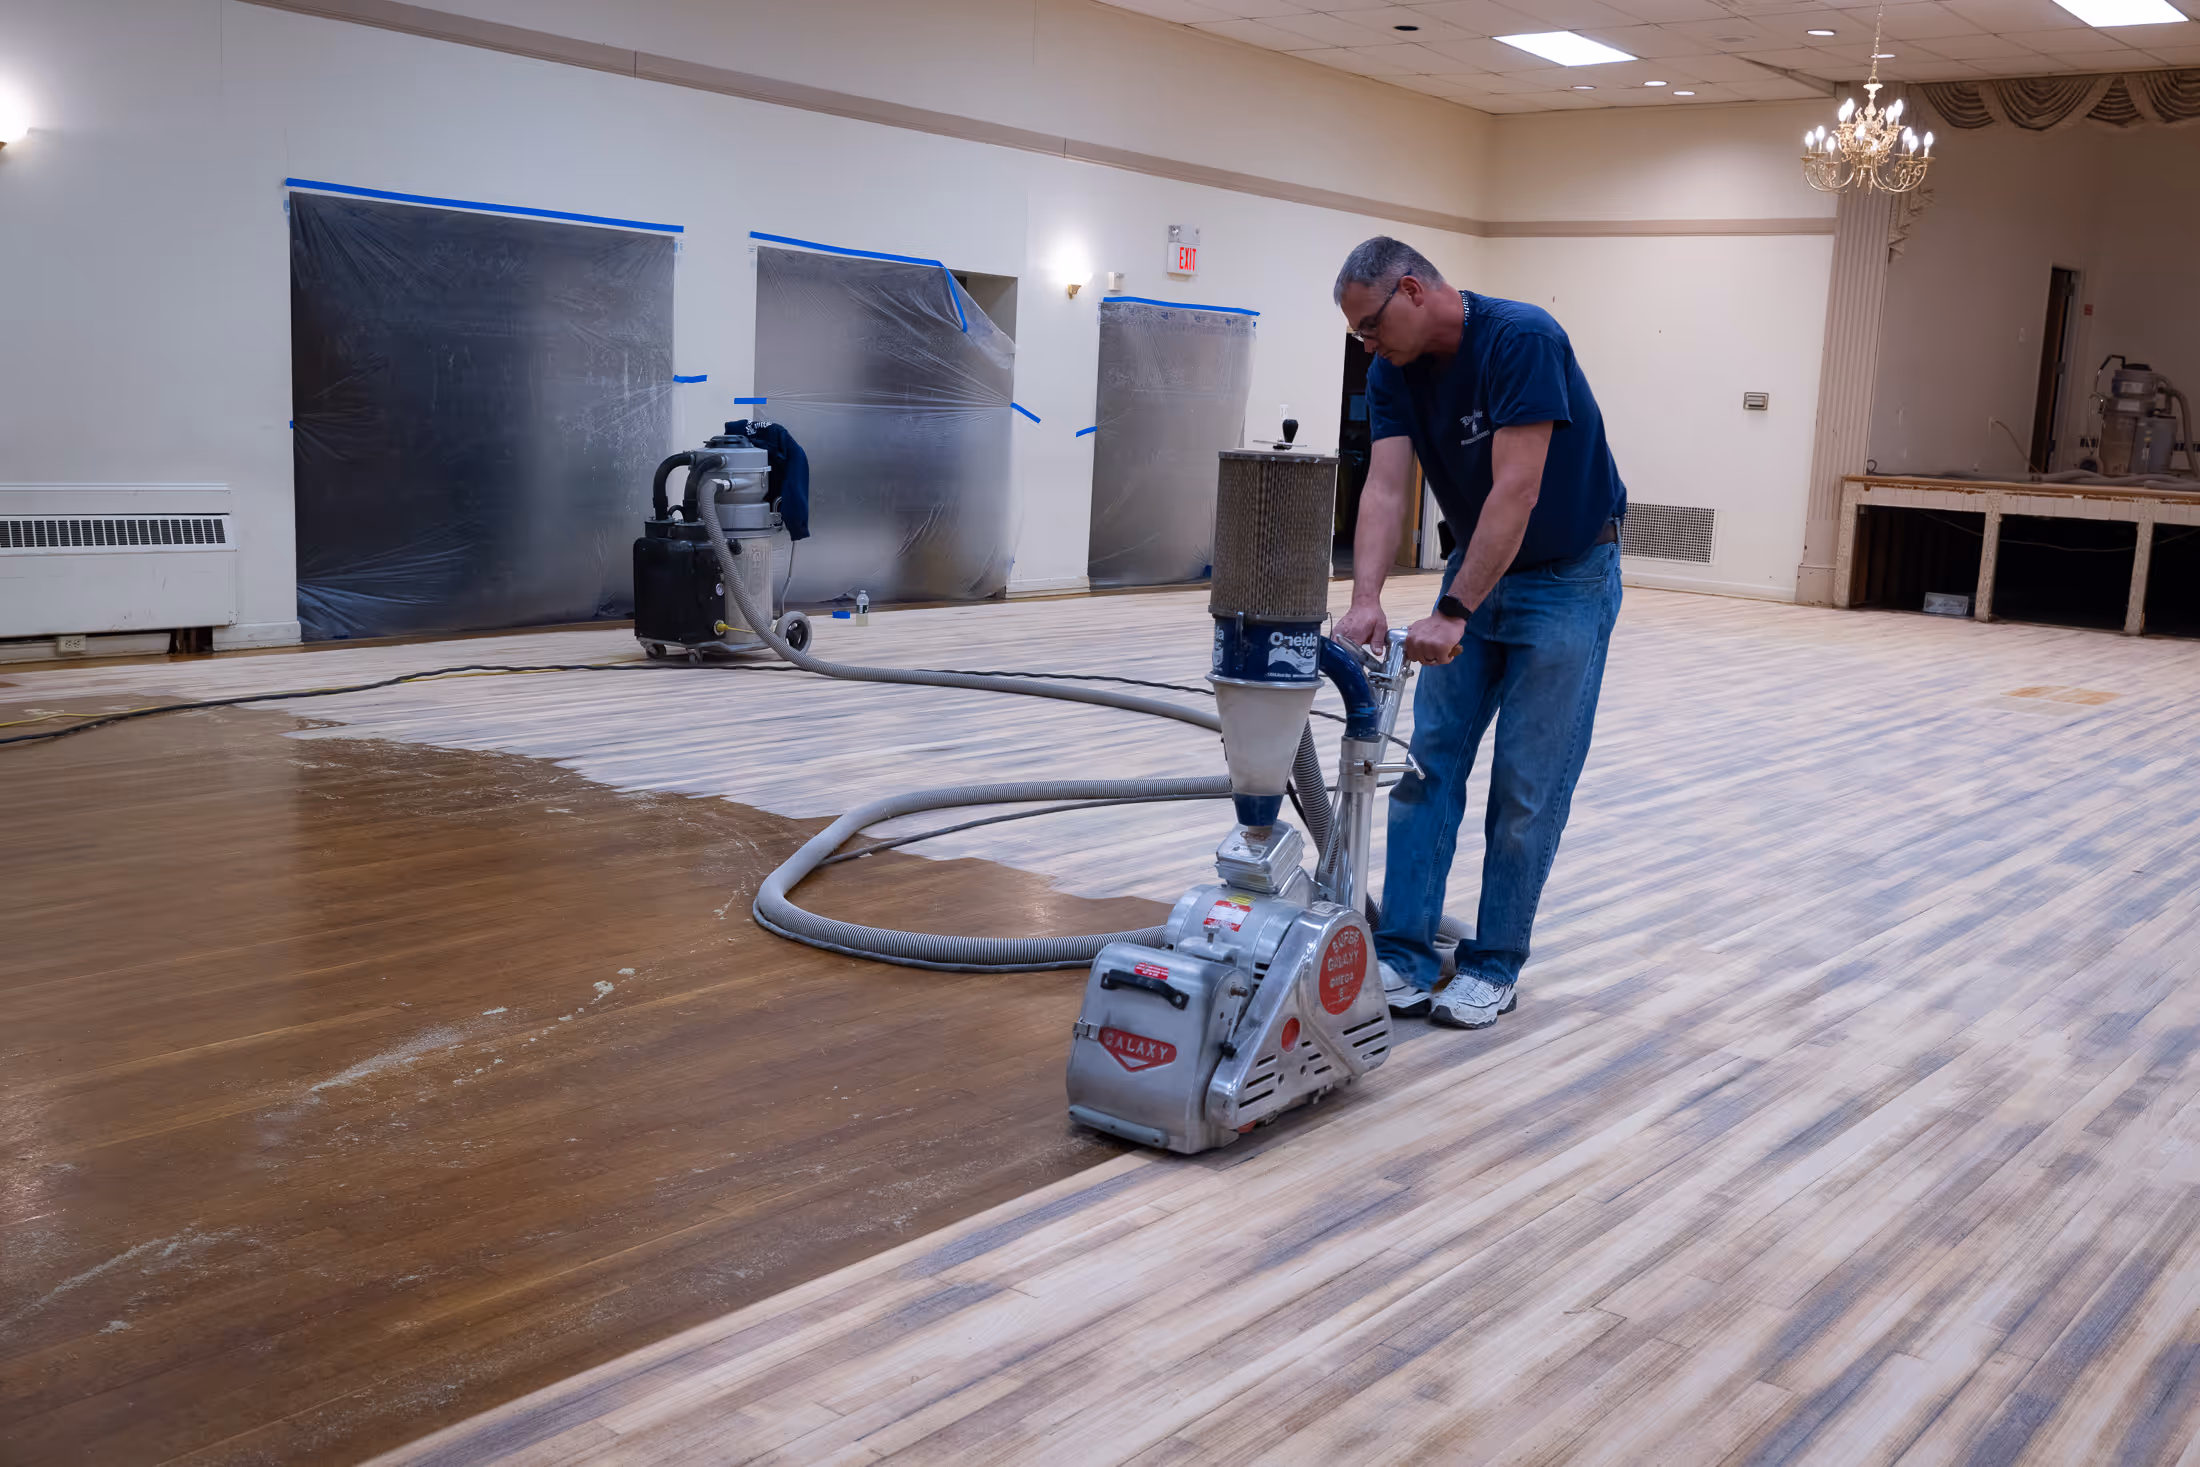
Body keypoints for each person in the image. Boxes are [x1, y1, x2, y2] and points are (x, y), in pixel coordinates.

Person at [1329, 237, 1626, 1030]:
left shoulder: (1521, 339)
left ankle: (1494, 964)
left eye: (1370, 326)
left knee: (1528, 789)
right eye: (1357, 334)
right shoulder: (1391, 372)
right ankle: (1404, 953)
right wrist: (1365, 597)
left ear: (1415, 291)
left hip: (1567, 577)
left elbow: (1516, 491)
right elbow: (1386, 486)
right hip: (1476, 573)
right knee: (1429, 768)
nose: (1366, 344)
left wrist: (1453, 610)